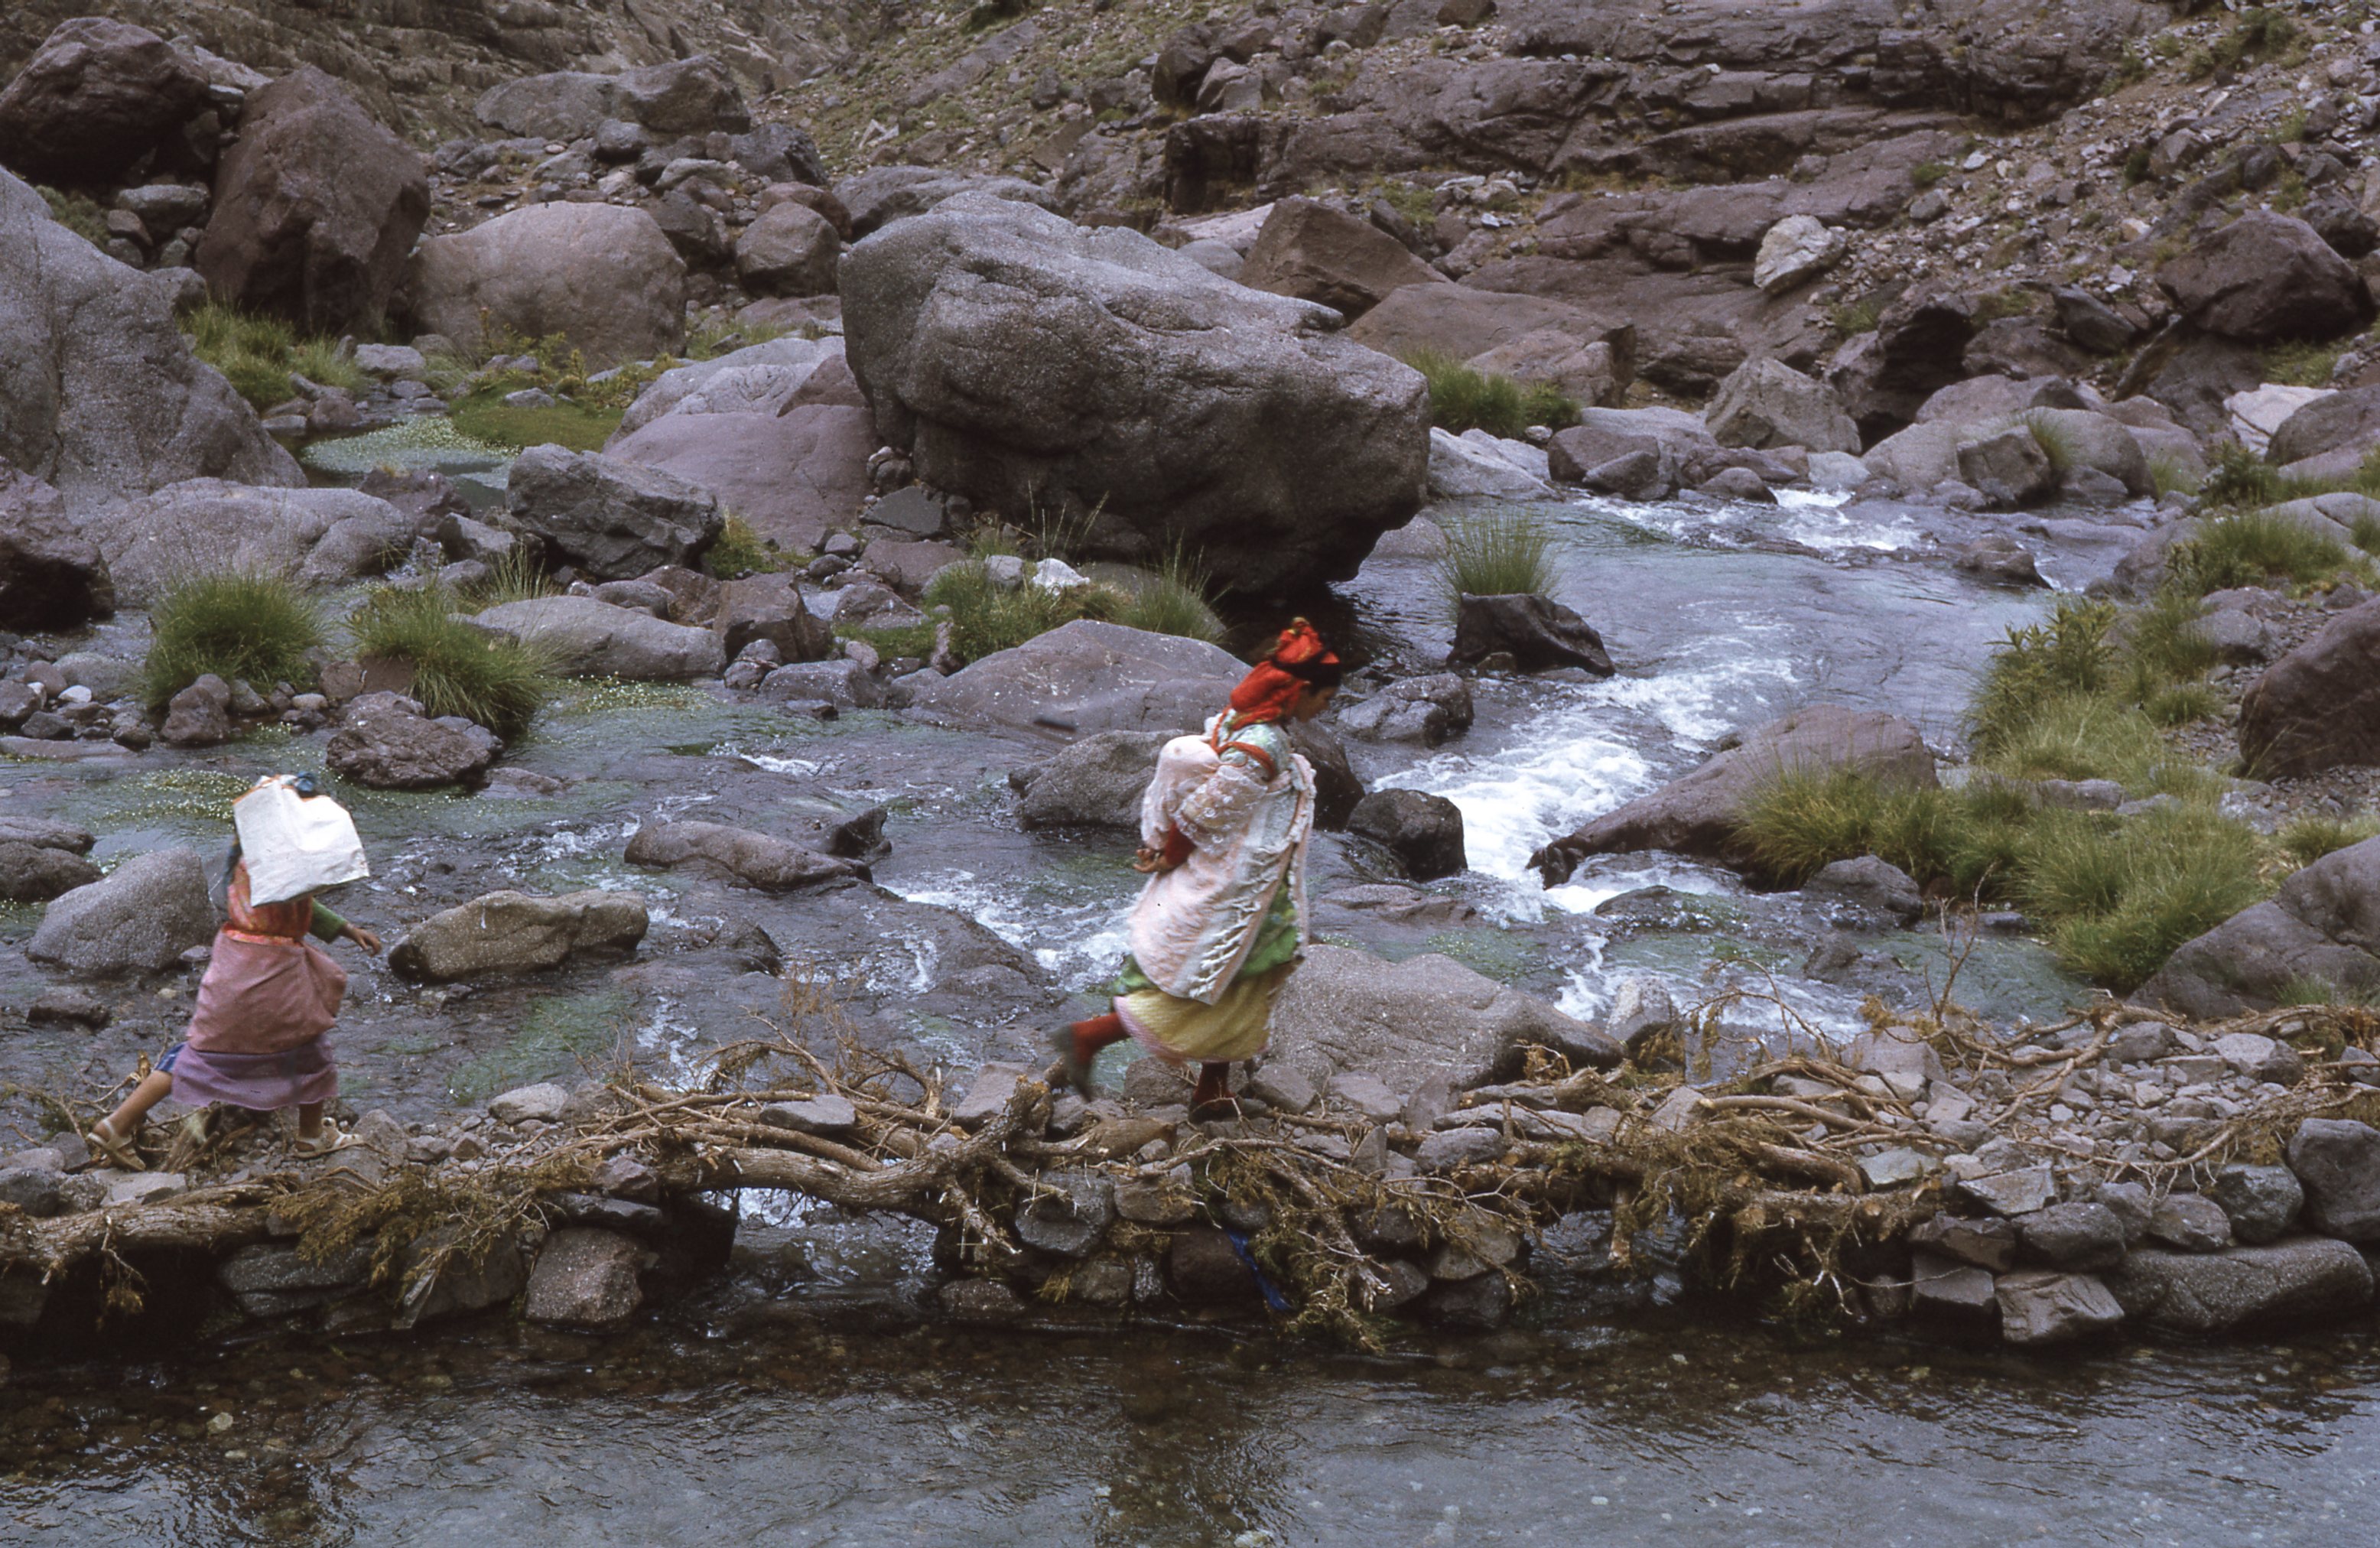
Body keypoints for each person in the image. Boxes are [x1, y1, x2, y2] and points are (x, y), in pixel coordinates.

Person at [1052, 620, 1341, 1121]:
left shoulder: (1240, 720)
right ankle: (1088, 1037)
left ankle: (1212, 1088)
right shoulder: (1262, 746)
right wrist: (1172, 853)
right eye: (1325, 699)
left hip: (1253, 877)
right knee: (1223, 975)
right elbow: (1207, 810)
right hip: (1243, 885)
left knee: (1235, 978)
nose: (1325, 709)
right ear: (1300, 691)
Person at [86, 785, 382, 1169]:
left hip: (232, 966)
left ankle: (116, 1124)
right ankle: (311, 1136)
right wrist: (347, 930)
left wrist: (345, 928)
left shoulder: (244, 860)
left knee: (197, 1055)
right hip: (273, 972)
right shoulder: (285, 866)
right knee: (310, 1049)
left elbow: (299, 900)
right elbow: (305, 899)